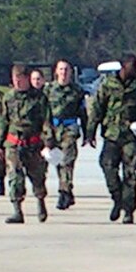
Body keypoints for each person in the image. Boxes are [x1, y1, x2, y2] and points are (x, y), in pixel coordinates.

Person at [90, 54, 136, 224]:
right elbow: (97, 108)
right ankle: (117, 197)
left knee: (130, 173)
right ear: (123, 67)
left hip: (131, 137)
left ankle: (129, 210)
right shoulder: (108, 84)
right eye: (132, 66)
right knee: (107, 166)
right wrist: (91, 132)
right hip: (111, 134)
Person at [0, 63, 53, 223]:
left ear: (27, 78)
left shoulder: (39, 98)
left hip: (33, 144)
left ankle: (40, 201)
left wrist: (48, 143)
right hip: (13, 143)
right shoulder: (8, 97)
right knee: (14, 177)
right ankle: (17, 210)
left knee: (37, 177)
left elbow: (46, 121)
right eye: (15, 79)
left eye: (20, 79)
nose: (18, 82)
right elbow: (3, 121)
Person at [45, 59, 92, 210]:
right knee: (58, 162)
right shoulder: (48, 90)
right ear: (56, 72)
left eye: (66, 70)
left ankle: (63, 192)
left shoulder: (77, 91)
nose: (64, 73)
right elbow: (42, 113)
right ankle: (67, 190)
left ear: (71, 72)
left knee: (67, 161)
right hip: (53, 130)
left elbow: (83, 114)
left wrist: (87, 134)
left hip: (69, 129)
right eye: (61, 69)